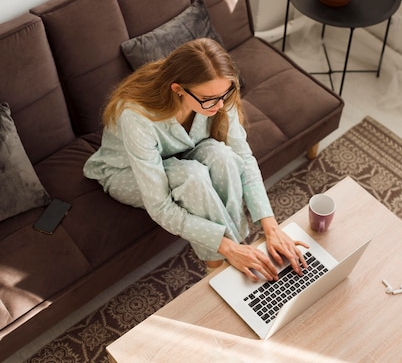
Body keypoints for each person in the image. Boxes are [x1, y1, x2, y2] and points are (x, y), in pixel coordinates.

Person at [83, 38, 308, 280]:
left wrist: (272, 227)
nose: (220, 105)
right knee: (193, 177)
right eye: (209, 99)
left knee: (223, 156)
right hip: (124, 171)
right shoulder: (135, 116)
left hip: (179, 155)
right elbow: (160, 207)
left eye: (225, 94)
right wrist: (226, 247)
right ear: (177, 89)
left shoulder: (218, 93)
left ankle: (241, 253)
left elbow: (243, 156)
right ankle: (219, 265)